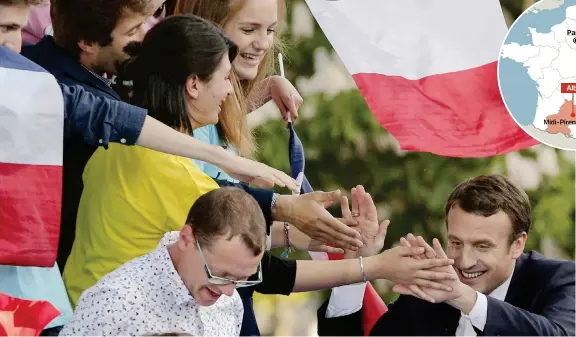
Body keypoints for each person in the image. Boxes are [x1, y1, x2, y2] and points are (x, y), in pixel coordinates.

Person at [19, 0, 361, 273]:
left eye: (270, 30)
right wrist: (367, 265)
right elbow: (229, 223)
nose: (143, 37)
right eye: (136, 28)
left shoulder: (126, 124)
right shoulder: (57, 92)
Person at [317, 175, 576, 336]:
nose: (464, 261)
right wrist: (356, 265)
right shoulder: (431, 289)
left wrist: (464, 298)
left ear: (517, 245)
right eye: (455, 242)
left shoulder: (558, 278)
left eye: (482, 246)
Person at [60, 187, 267, 336]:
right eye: (220, 275)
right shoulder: (115, 301)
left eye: (241, 280)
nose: (228, 291)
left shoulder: (231, 304)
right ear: (186, 239)